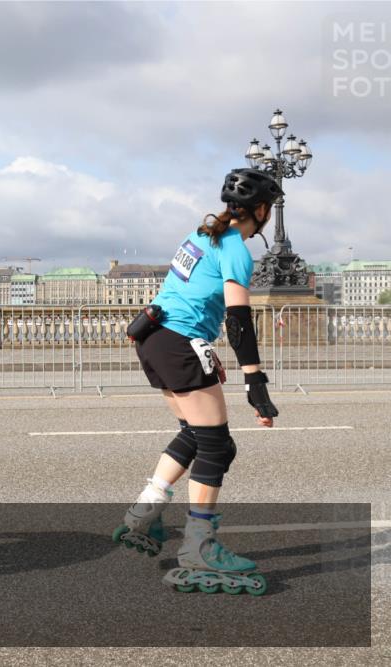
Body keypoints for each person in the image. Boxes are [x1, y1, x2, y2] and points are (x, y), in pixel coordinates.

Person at [113, 168, 281, 596]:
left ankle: (143, 513)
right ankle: (198, 546)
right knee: (217, 445)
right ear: (261, 211)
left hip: (153, 337)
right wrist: (254, 380)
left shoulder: (200, 234)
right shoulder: (236, 250)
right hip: (179, 343)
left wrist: (205, 351)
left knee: (194, 431)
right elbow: (238, 319)